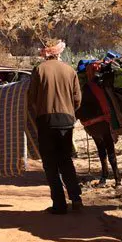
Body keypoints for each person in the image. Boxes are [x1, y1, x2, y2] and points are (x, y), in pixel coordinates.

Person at [27, 39, 83, 215]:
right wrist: (68, 111)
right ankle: (76, 199)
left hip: (46, 121)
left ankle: (59, 204)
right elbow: (77, 100)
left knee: (50, 163)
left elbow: (31, 98)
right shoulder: (70, 70)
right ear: (59, 53)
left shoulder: (39, 70)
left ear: (46, 54)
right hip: (67, 120)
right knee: (66, 160)